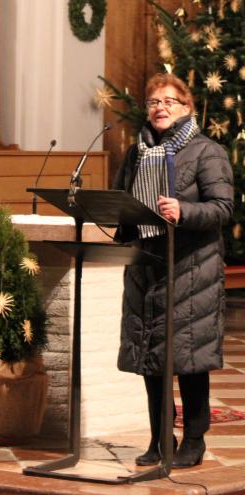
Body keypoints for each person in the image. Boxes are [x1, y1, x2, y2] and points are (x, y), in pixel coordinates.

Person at [113, 73, 234, 469]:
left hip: (191, 267)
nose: (159, 108)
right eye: (153, 102)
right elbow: (121, 198)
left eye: (169, 101)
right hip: (146, 266)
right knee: (152, 355)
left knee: (188, 357)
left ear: (187, 108)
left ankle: (194, 439)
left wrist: (183, 211)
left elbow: (222, 208)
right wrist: (116, 219)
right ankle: (160, 438)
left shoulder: (206, 152)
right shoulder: (137, 153)